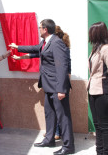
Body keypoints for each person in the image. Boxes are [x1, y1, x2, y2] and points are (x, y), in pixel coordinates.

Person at [9, 19, 74, 155]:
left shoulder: (56, 43)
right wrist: (17, 47)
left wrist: (62, 90)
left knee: (63, 117)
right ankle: (49, 140)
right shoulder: (45, 42)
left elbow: (62, 67)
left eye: (40, 27)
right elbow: (34, 48)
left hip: (57, 87)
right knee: (49, 114)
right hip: (48, 86)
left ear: (45, 29)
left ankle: (68, 147)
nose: (39, 29)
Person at [88, 22, 108, 155]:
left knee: (104, 126)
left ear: (97, 34)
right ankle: (99, 152)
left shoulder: (107, 49)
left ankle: (105, 153)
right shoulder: (96, 49)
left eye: (92, 33)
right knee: (97, 126)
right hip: (93, 90)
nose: (90, 35)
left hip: (103, 92)